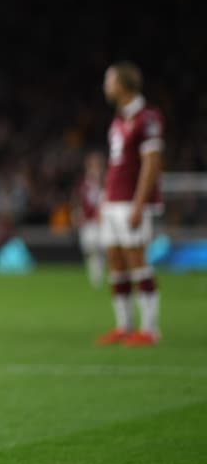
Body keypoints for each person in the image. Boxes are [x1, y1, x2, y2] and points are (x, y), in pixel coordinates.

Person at [95, 61, 165, 346]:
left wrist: (139, 203)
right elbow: (116, 164)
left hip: (131, 202)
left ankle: (149, 329)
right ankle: (124, 326)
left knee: (138, 260)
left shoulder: (147, 118)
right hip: (113, 201)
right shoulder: (118, 119)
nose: (105, 86)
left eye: (109, 81)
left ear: (122, 85)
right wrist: (104, 197)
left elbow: (151, 163)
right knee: (116, 261)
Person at [72, 150, 107, 289]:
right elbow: (78, 199)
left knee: (105, 247)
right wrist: (77, 213)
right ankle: (95, 278)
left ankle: (108, 274)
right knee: (90, 249)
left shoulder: (106, 180)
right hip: (88, 220)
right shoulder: (84, 182)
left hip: (104, 220)